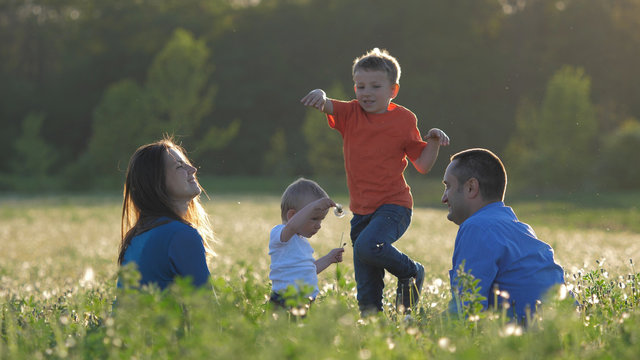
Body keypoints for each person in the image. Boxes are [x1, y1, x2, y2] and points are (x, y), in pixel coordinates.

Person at [301, 48, 450, 314]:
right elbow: (326, 104)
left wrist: (434, 142)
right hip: (361, 212)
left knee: (370, 246)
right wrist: (320, 95)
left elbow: (423, 165)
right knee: (366, 286)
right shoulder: (351, 113)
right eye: (360, 86)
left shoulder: (405, 119)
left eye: (375, 86)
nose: (366, 92)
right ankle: (375, 326)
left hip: (394, 206)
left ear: (393, 90)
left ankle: (412, 272)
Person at [441, 148, 565, 321]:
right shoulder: (521, 229)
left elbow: (465, 309)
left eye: (448, 186)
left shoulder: (476, 227)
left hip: (527, 340)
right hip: (565, 330)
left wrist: (421, 330)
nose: (444, 198)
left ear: (471, 187)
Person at [117, 138, 214, 290]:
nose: (192, 169)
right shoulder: (180, 235)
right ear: (157, 181)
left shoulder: (135, 237)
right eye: (179, 167)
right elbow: (206, 308)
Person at [269, 178, 345, 307]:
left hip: (305, 299)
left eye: (321, 220)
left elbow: (308, 270)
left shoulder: (301, 241)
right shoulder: (280, 234)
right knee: (283, 327)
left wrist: (328, 258)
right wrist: (313, 207)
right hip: (285, 298)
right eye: (314, 218)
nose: (319, 226)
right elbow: (292, 226)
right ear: (292, 215)